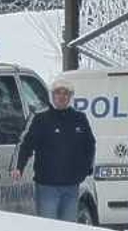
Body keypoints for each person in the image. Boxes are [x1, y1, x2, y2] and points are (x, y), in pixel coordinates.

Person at [13, 78, 96, 221]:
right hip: (47, 186)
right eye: (58, 93)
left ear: (70, 97)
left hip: (71, 186)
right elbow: (26, 144)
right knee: (48, 227)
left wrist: (85, 170)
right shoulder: (41, 119)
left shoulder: (79, 119)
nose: (62, 96)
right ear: (52, 95)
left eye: (66, 93)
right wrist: (19, 167)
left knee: (68, 229)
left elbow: (89, 145)